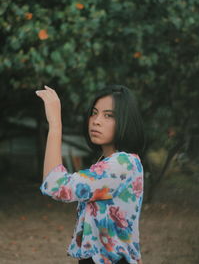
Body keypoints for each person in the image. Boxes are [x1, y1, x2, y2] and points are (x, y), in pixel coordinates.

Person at [35, 84, 144, 264]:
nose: (96, 120)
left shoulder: (121, 164)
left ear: (126, 120)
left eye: (108, 115)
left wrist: (55, 124)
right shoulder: (116, 161)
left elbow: (56, 185)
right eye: (94, 113)